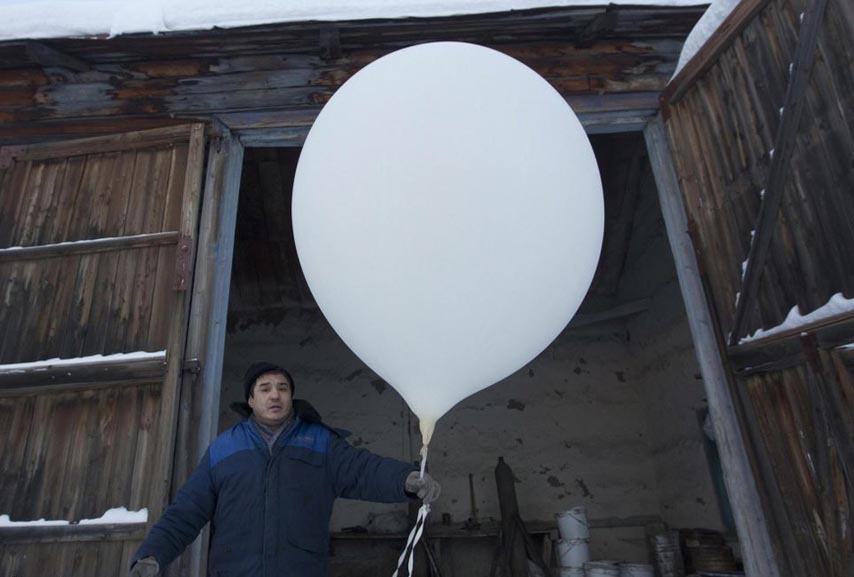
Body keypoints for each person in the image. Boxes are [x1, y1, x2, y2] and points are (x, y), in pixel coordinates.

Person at [130, 361, 440, 577]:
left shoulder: (320, 442)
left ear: (292, 397)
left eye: (282, 388)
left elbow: (363, 470)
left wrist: (407, 479)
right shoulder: (223, 450)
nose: (275, 394)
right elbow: (186, 511)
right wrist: (153, 554)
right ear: (250, 400)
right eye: (264, 388)